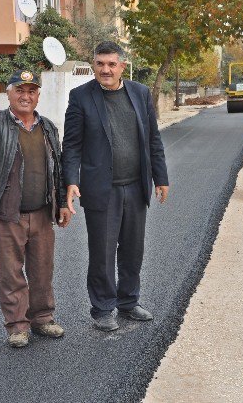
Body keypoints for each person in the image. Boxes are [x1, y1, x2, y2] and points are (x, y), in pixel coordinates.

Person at [0, 69, 71, 348]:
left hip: (42, 213)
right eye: (19, 90)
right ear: (8, 94)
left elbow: (59, 168)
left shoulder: (48, 128)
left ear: (37, 96)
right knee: (10, 272)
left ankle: (43, 318)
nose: (25, 96)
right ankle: (17, 326)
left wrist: (64, 201)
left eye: (31, 91)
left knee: (43, 270)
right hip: (6, 213)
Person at [62, 41, 169, 332]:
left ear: (122, 65)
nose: (105, 69)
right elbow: (71, 145)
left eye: (111, 64)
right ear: (93, 64)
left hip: (135, 187)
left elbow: (152, 139)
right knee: (103, 252)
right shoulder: (81, 97)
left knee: (133, 250)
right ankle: (102, 308)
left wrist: (161, 178)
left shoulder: (140, 93)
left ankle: (129, 301)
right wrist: (70, 181)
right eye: (100, 63)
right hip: (102, 190)